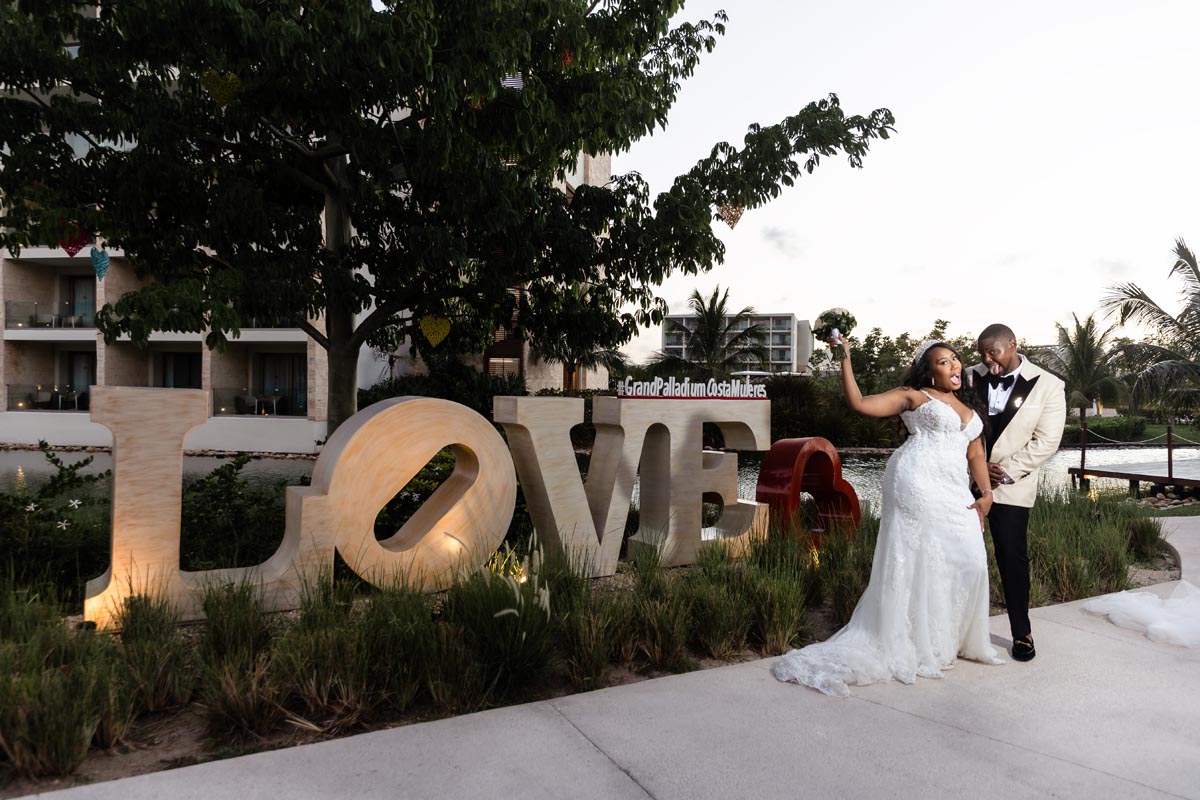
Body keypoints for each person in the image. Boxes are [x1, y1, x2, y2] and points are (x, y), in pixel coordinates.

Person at [773, 337, 1003, 697]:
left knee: (971, 560)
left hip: (955, 488)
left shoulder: (969, 406)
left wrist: (987, 494)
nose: (954, 365)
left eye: (955, 359)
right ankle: (918, 643)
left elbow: (975, 455)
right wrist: (845, 358)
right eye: (943, 362)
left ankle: (945, 639)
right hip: (916, 481)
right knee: (924, 558)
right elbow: (859, 403)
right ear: (928, 372)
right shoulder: (914, 396)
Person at [971, 323, 1066, 662]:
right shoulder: (967, 377)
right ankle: (957, 630)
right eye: (982, 353)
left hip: (1012, 489)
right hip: (963, 483)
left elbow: (1047, 442)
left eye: (992, 352)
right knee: (959, 557)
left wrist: (1005, 472)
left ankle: (1021, 633)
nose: (986, 359)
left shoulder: (1050, 386)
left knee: (1012, 559)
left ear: (1012, 344)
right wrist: (977, 468)